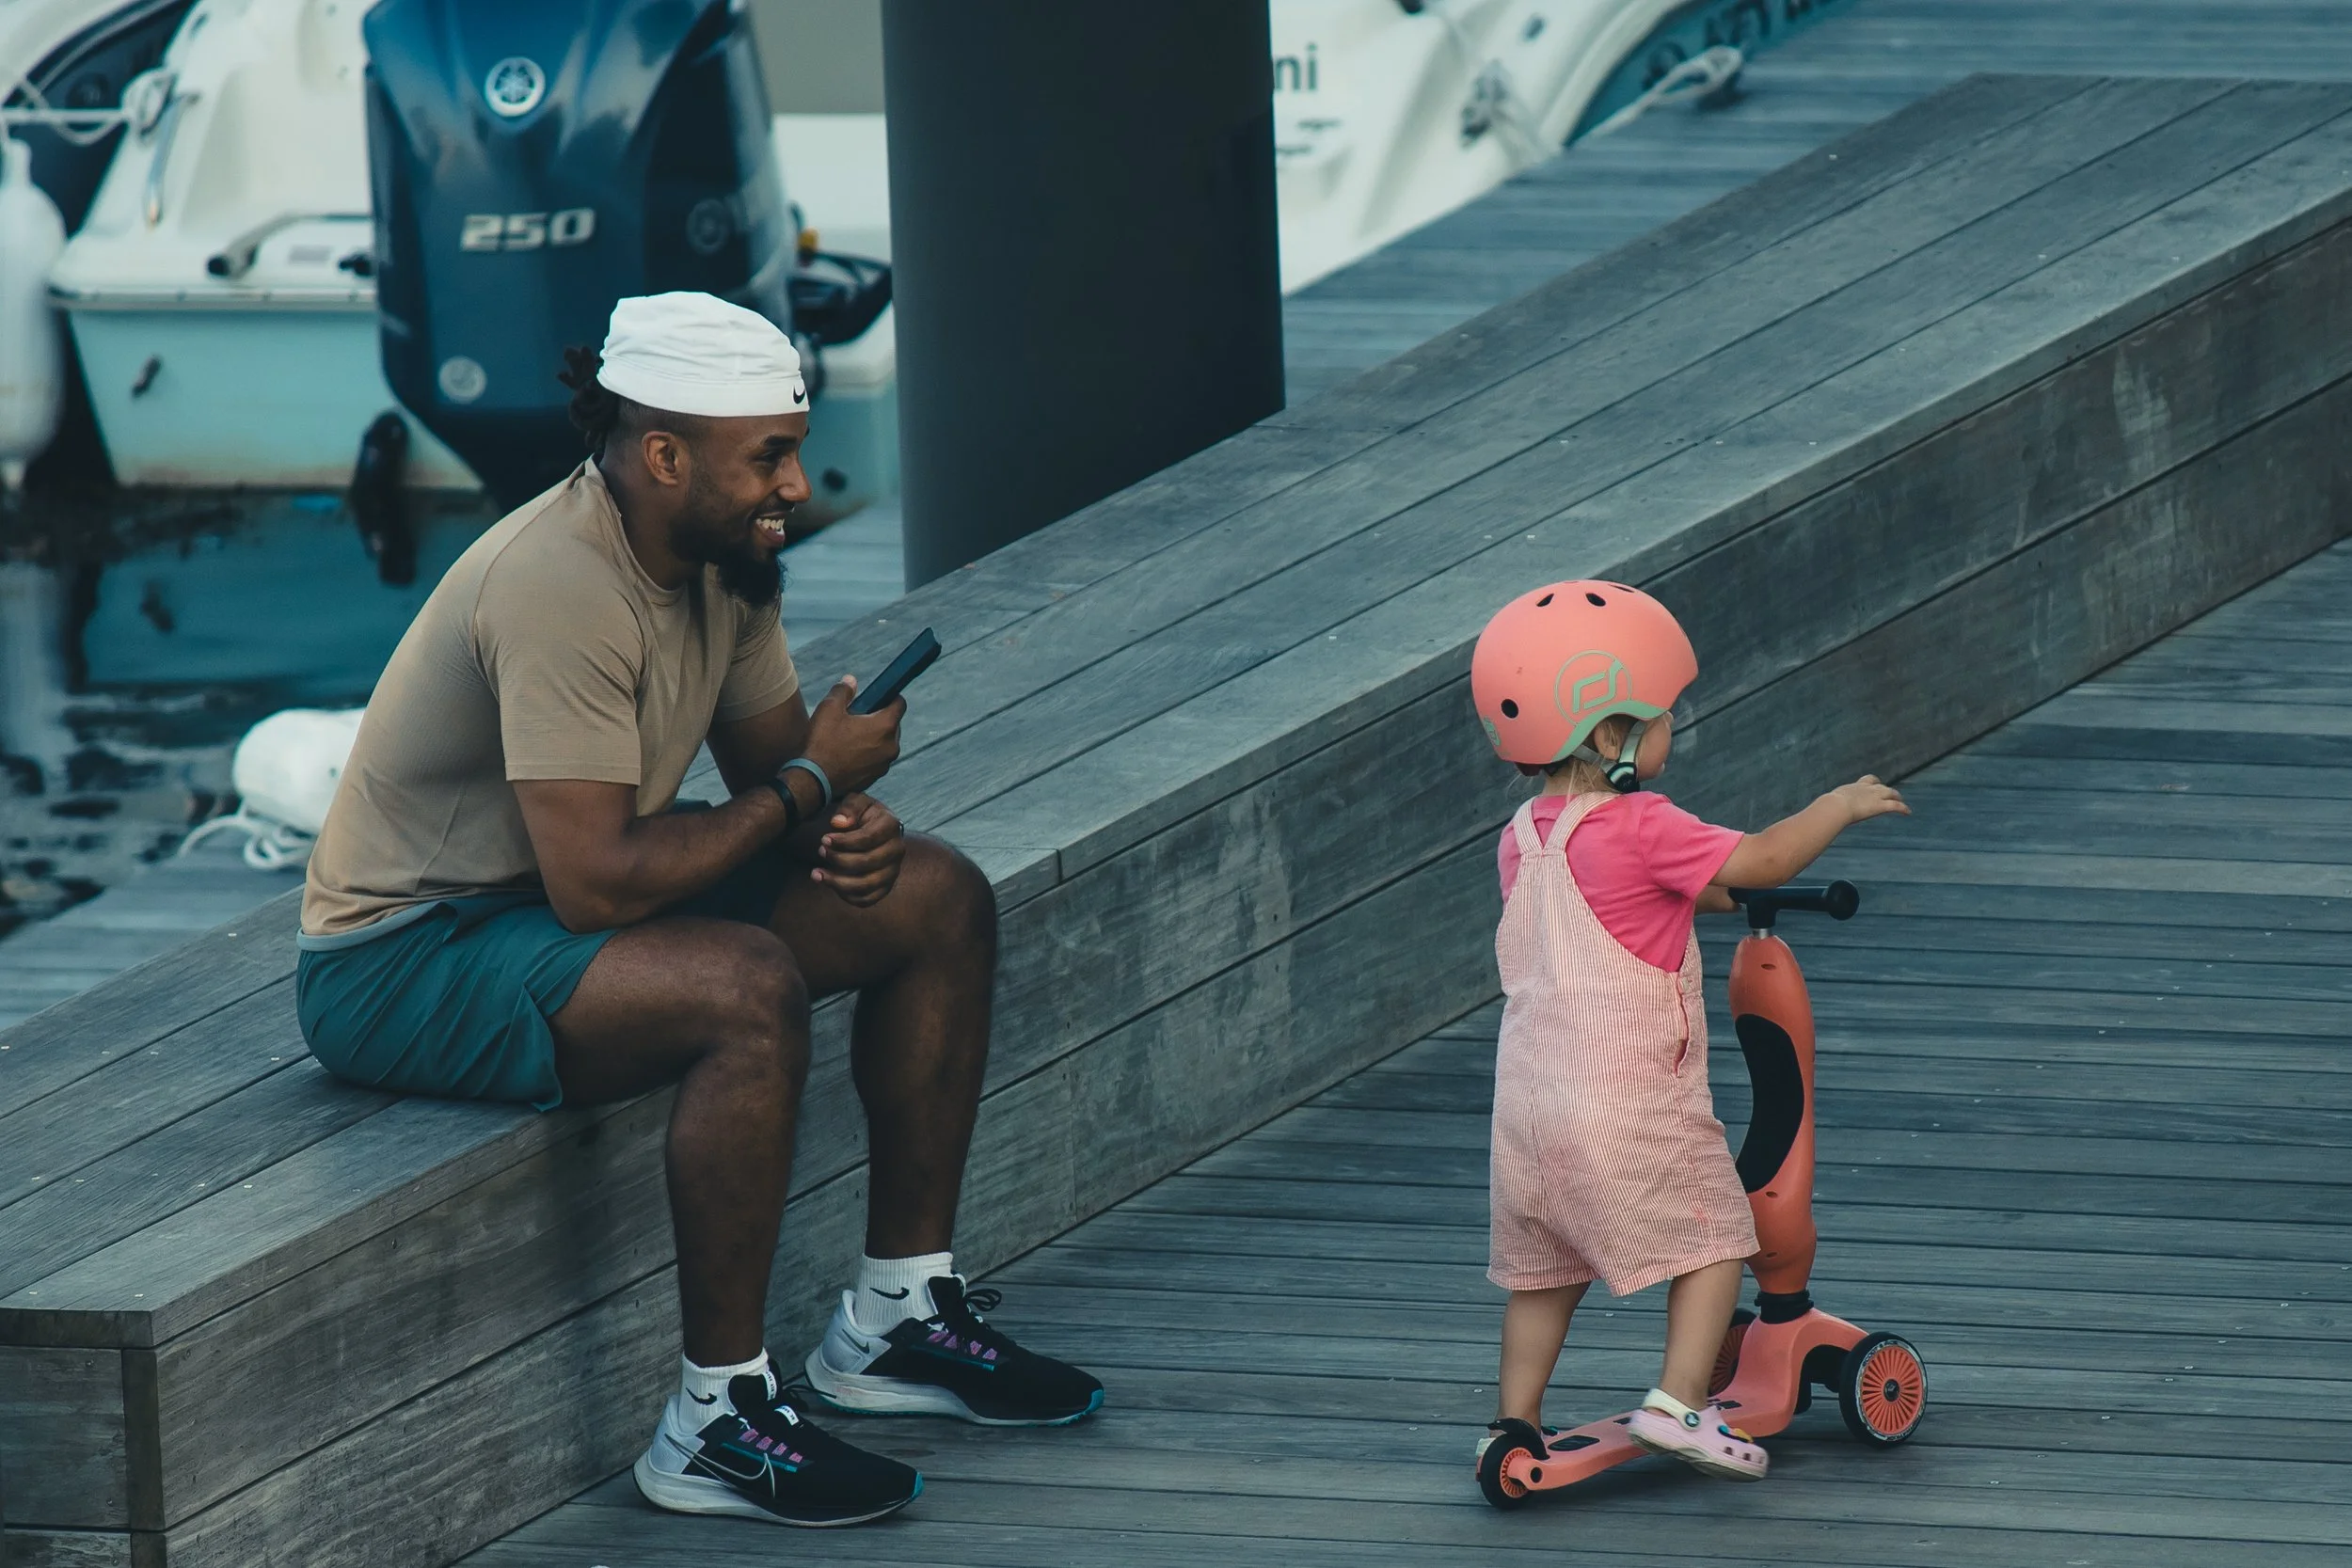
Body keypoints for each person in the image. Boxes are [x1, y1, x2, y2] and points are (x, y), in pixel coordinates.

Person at [294, 292, 1100, 1529]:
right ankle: (712, 1420)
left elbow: (774, 784)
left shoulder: (727, 564)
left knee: (935, 895)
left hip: (551, 910)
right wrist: (814, 783)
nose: (794, 478)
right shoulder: (559, 581)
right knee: (742, 990)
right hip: (407, 951)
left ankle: (891, 1322)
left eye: (793, 443)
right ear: (664, 453)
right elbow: (601, 883)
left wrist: (850, 829)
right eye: (766, 453)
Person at [1466, 580, 1907, 1481]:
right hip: (1626, 1108)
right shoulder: (1642, 822)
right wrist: (1838, 806)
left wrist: (1712, 889)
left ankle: (1512, 1424)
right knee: (1717, 1234)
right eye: (1662, 714)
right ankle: (1677, 1405)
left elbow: (1642, 897)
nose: (1673, 728)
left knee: (1544, 1275)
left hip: (1527, 1115)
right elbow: (1764, 861)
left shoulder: (1523, 837)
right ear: (1607, 735)